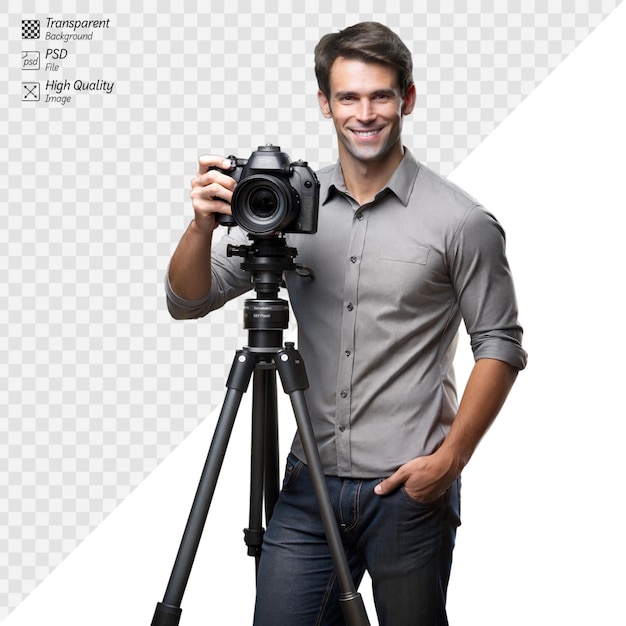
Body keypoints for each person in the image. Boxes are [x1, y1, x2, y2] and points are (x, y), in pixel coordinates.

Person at [166, 21, 527, 626]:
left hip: (409, 493)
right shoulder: (285, 207)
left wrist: (450, 461)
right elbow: (187, 301)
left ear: (407, 99)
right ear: (325, 103)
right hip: (308, 488)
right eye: (349, 97)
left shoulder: (462, 222)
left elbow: (500, 344)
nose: (366, 112)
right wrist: (202, 226)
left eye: (381, 95)